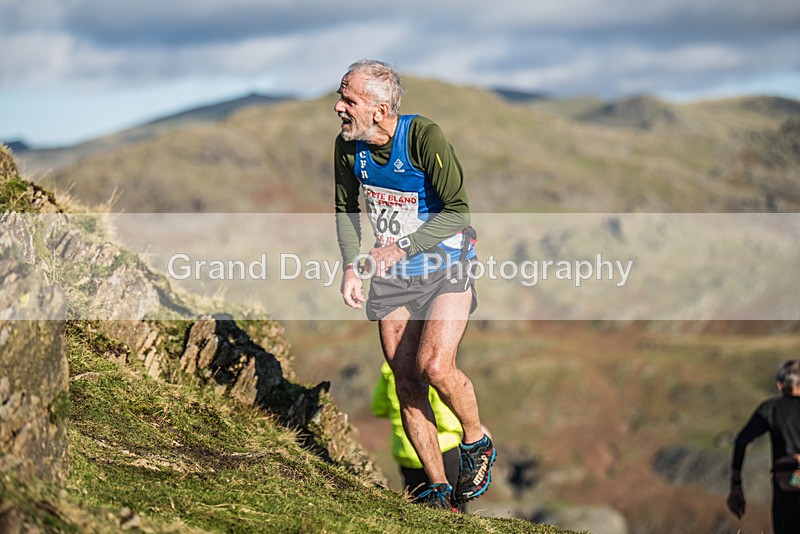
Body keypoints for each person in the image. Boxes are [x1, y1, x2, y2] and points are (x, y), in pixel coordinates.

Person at [333, 59, 495, 510]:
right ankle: (438, 489)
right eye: (341, 96)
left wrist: (402, 246)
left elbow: (458, 211)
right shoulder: (348, 148)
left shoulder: (423, 137)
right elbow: (345, 210)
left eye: (349, 99)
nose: (338, 107)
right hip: (393, 278)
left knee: (435, 366)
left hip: (446, 267)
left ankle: (477, 441)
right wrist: (350, 266)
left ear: (381, 109)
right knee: (406, 382)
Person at [371, 361, 466, 512]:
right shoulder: (428, 365)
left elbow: (378, 407)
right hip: (443, 449)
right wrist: (466, 429)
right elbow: (443, 415)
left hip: (407, 453)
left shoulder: (390, 369)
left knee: (420, 509)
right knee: (455, 506)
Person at [727, 359, 800, 533]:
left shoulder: (770, 409)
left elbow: (741, 441)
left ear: (780, 384)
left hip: (786, 491)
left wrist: (736, 484)